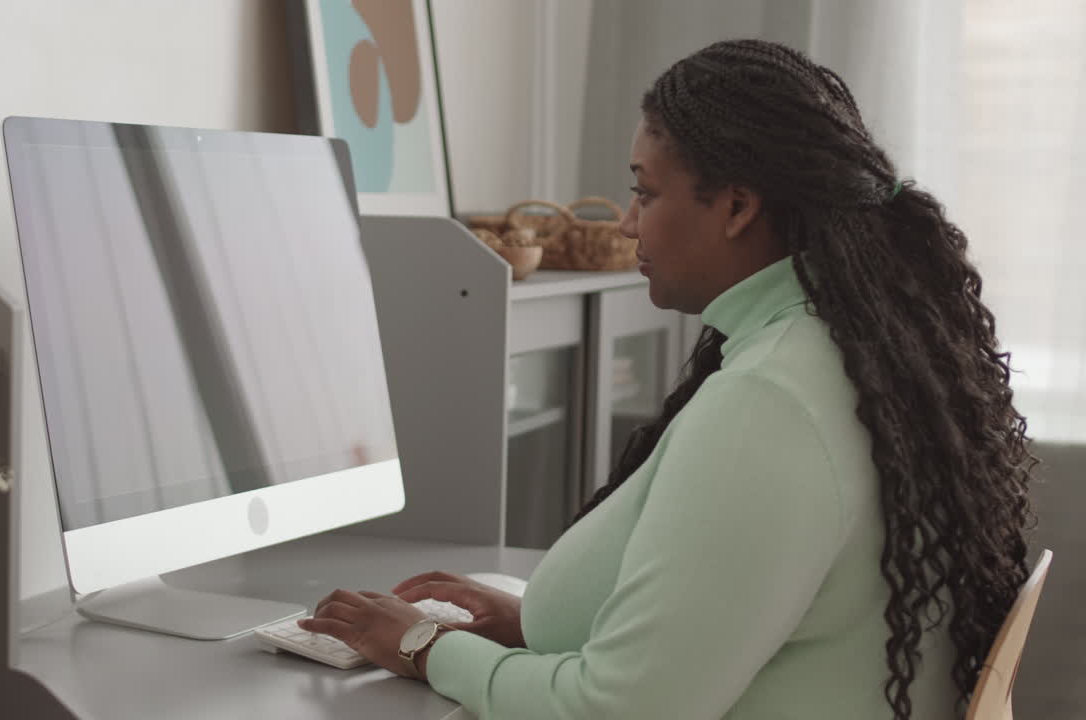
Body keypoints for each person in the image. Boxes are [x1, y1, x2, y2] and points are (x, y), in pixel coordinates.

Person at [297, 38, 1036, 719]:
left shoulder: (770, 401)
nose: (626, 225)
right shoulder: (847, 353)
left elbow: (624, 713)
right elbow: (742, 616)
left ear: (737, 208)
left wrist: (423, 648)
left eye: (646, 194)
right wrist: (539, 626)